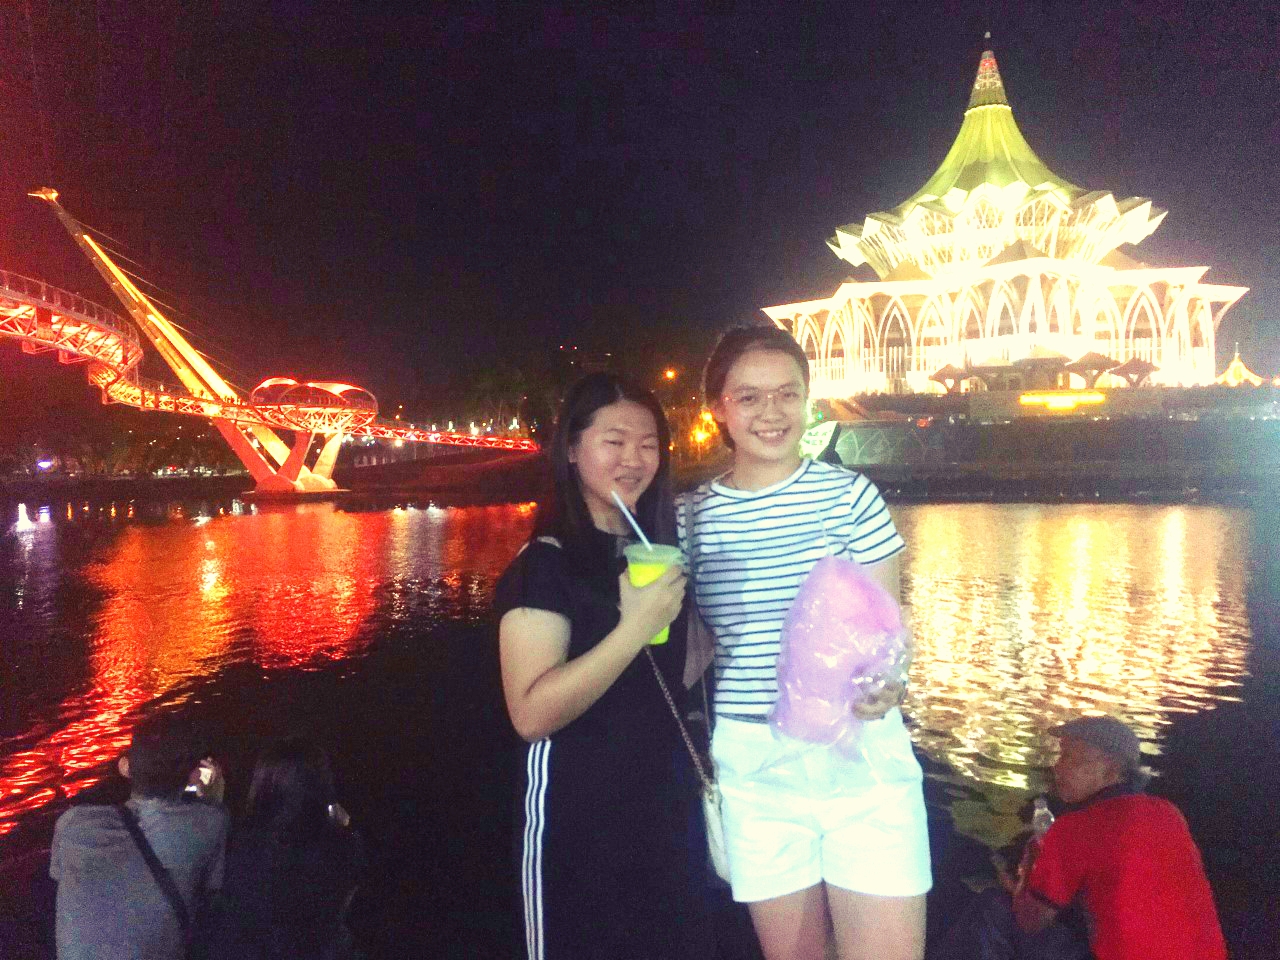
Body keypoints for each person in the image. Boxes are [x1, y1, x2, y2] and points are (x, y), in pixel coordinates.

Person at [677, 325, 931, 960]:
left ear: (807, 400)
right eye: (748, 397)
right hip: (756, 764)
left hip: (862, 755)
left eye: (787, 394)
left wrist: (890, 684)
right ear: (718, 409)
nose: (771, 412)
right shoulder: (690, 519)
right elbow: (689, 651)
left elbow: (888, 634)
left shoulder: (851, 498)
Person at [494, 372, 709, 960]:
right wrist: (635, 626)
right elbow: (531, 714)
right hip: (577, 818)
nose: (634, 459)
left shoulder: (660, 556)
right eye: (614, 441)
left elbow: (679, 674)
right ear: (572, 448)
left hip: (665, 807)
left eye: (648, 444)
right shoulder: (546, 565)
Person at [1004, 715, 1227, 960]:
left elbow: (1030, 921)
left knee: (992, 909)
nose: (1057, 767)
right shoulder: (1169, 814)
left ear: (1111, 768)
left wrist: (1028, 868)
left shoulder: (1076, 827)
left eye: (1070, 757)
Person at [49, 712, 229, 960]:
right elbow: (212, 893)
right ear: (194, 774)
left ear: (125, 767)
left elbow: (61, 879)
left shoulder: (71, 824)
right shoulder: (210, 821)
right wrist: (213, 800)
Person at [202, 737, 365, 960]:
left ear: (263, 784)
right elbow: (341, 906)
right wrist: (345, 829)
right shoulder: (340, 847)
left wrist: (213, 804)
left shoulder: (243, 843)